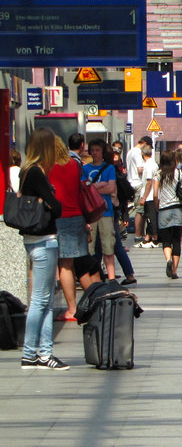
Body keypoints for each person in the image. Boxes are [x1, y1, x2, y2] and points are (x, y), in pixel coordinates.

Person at [17, 129, 67, 370]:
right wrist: (50, 201)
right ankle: (32, 353)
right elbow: (57, 208)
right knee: (40, 300)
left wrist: (44, 201)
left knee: (45, 300)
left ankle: (44, 352)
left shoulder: (26, 172)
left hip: (33, 239)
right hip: (44, 240)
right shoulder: (37, 173)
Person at [48, 136, 100, 323]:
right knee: (82, 262)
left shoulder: (47, 168)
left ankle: (72, 308)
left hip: (60, 219)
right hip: (77, 217)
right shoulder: (74, 165)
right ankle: (97, 301)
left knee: (66, 265)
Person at [148, 151, 182, 280]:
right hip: (178, 209)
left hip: (164, 210)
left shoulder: (158, 175)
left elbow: (155, 195)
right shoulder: (180, 173)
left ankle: (168, 260)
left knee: (166, 240)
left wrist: (157, 207)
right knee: (176, 239)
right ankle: (174, 271)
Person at [81, 137, 119, 282]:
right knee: (89, 248)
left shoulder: (109, 168)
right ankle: (92, 278)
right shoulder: (84, 169)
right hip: (90, 213)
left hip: (106, 211)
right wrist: (101, 185)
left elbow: (111, 188)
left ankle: (111, 277)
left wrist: (93, 186)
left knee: (108, 245)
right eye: (92, 150)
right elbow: (83, 189)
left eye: (98, 150)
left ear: (103, 152)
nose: (95, 153)